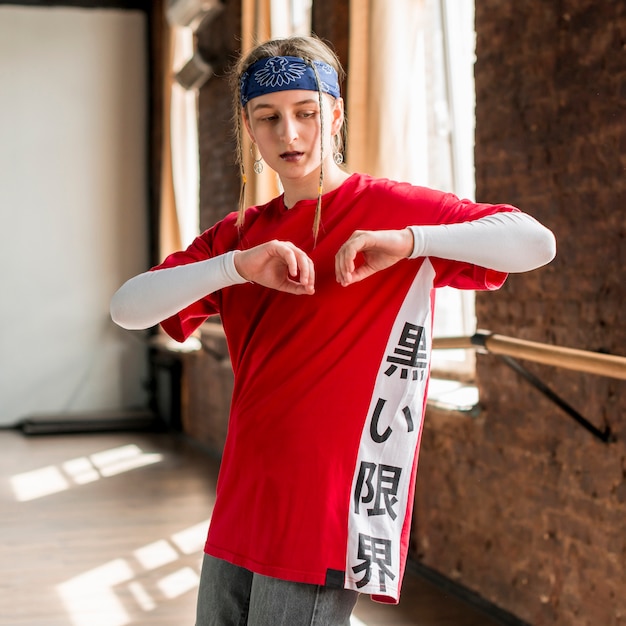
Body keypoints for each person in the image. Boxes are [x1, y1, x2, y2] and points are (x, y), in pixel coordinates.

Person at [110, 35, 556, 626]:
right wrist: (233, 268)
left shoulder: (393, 213)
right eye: (268, 118)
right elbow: (128, 308)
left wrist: (411, 241)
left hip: (328, 502)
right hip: (245, 491)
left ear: (337, 115)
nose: (289, 135)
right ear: (248, 126)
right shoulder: (239, 236)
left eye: (307, 113)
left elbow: (535, 242)